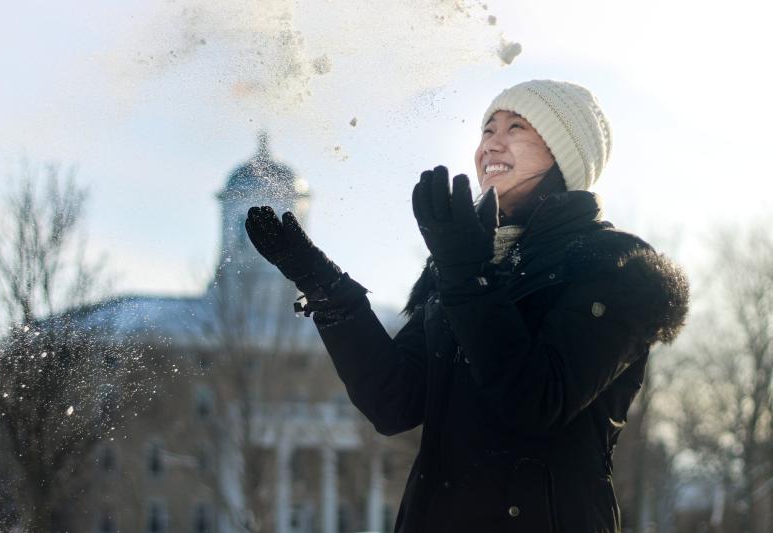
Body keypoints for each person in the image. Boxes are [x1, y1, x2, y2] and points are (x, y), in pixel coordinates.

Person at [245, 79, 689, 533]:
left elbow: (536, 403)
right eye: (486, 129)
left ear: (564, 153)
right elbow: (393, 402)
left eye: (516, 127)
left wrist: (465, 269)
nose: (490, 143)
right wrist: (325, 288)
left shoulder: (614, 266)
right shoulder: (461, 260)